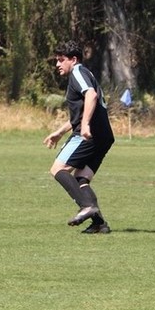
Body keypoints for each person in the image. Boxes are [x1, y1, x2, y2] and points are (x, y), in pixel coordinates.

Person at [43, 40, 116, 234]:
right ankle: (99, 224)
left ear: (73, 60)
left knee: (58, 169)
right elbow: (81, 113)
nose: (57, 64)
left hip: (89, 134)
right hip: (104, 135)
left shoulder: (77, 72)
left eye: (61, 60)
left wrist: (85, 126)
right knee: (81, 178)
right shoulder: (86, 74)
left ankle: (86, 206)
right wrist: (59, 132)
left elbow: (91, 96)